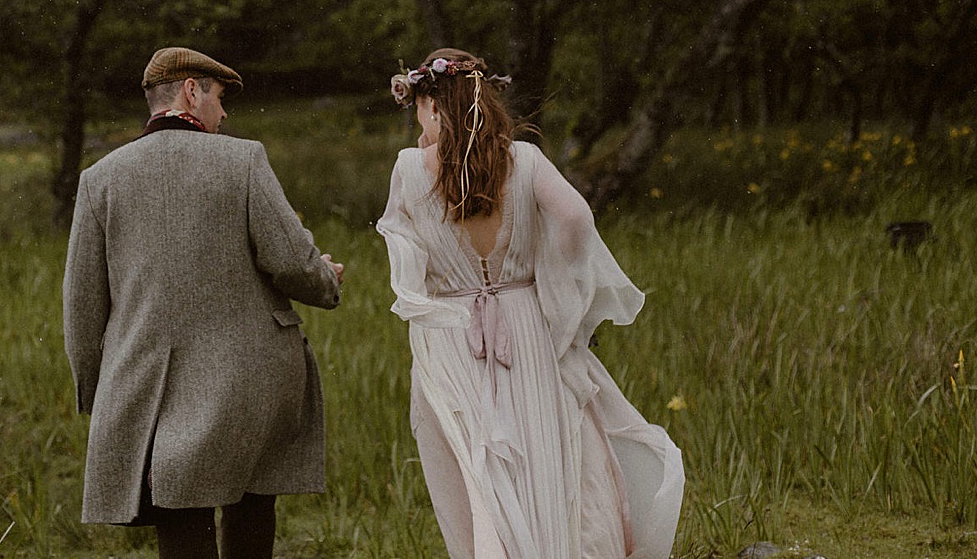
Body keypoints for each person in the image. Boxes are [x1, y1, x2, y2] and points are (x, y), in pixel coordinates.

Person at [377, 48, 683, 559]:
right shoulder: (524, 159)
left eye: (419, 110)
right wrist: (551, 280)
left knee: (477, 467)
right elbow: (577, 219)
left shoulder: (410, 169)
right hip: (523, 322)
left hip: (452, 335)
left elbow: (406, 263)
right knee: (542, 455)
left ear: (431, 105)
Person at [63, 46, 345, 559]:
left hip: (150, 384)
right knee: (252, 501)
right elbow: (290, 261)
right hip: (250, 375)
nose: (224, 113)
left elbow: (82, 308)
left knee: (179, 510)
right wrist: (326, 278)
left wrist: (96, 395)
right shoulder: (242, 160)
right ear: (192, 91)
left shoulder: (99, 178)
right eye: (218, 97)